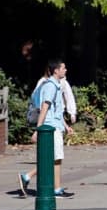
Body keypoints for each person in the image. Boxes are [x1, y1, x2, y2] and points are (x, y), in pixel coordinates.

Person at [17, 59, 74, 198]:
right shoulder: (50, 86)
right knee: (54, 158)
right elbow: (45, 108)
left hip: (55, 125)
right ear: (56, 70)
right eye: (63, 68)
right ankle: (55, 188)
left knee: (54, 158)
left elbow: (56, 110)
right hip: (50, 127)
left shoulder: (56, 85)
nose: (65, 70)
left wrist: (65, 126)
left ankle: (30, 178)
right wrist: (38, 129)